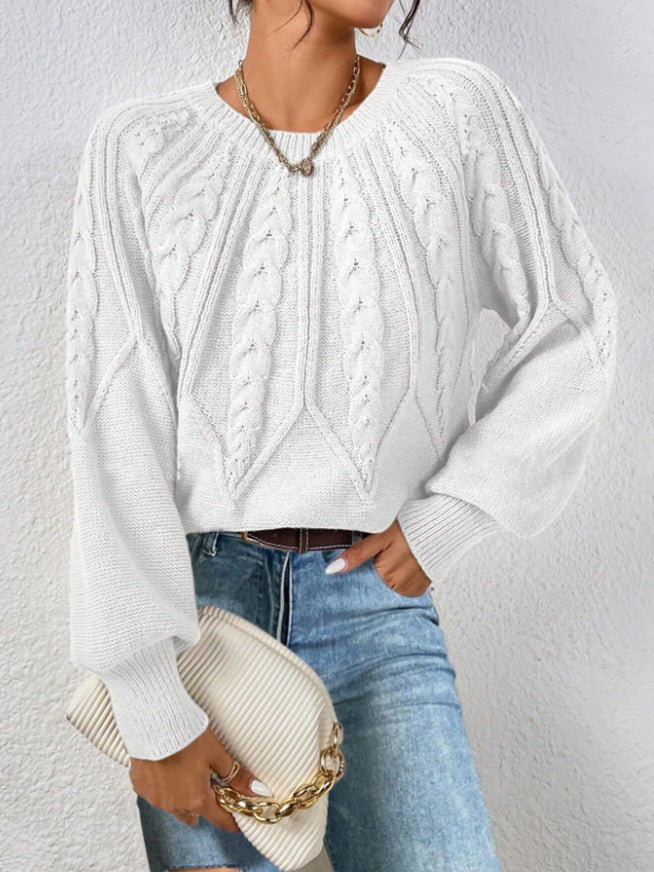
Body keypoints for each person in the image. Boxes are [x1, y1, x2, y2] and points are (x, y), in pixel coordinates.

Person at [63, 0, 618, 870]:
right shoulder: (139, 146)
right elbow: (113, 430)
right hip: (197, 622)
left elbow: (574, 327)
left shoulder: (457, 112)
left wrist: (453, 513)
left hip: (376, 614)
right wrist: (149, 704)